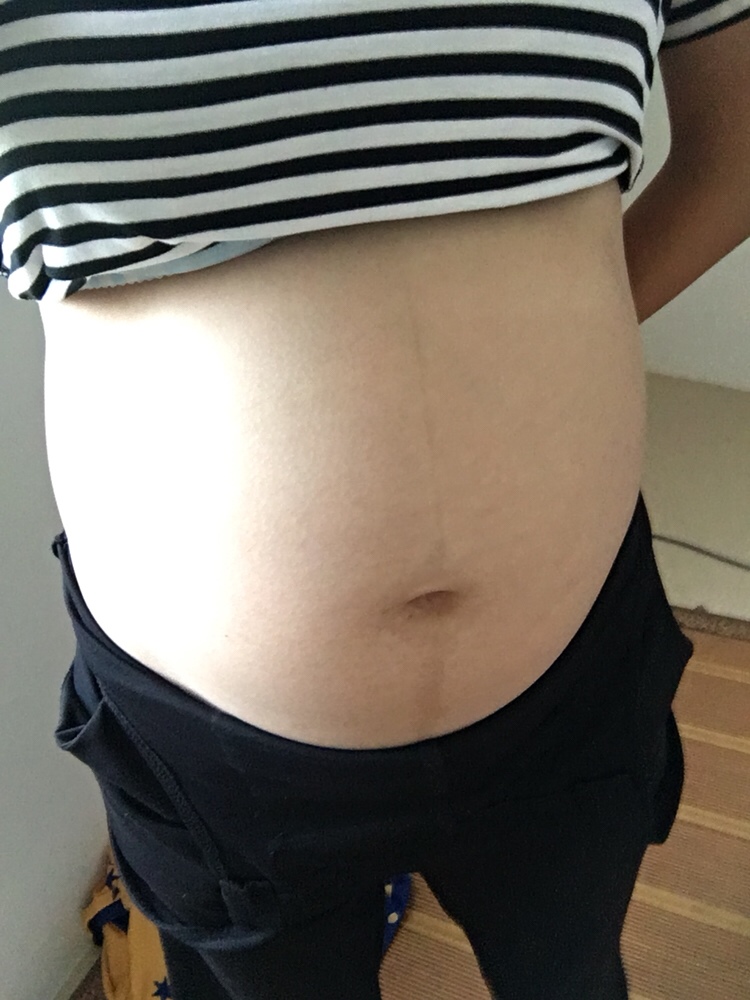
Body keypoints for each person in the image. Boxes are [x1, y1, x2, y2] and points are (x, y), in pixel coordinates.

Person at [3, 2, 749, 997]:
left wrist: (552, 363)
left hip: (572, 676)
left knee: (572, 980)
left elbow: (736, 152)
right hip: (212, 742)